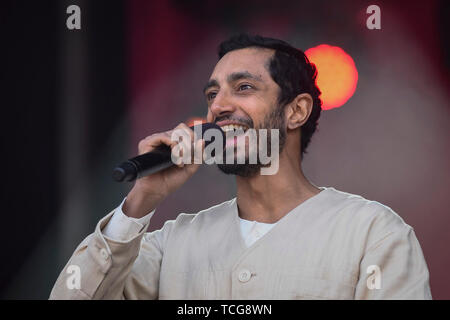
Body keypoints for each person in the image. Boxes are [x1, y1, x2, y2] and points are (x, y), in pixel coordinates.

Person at [50, 34, 431, 299]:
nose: (218, 106)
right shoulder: (172, 243)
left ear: (296, 111)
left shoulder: (372, 235)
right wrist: (141, 200)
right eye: (212, 94)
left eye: (244, 87)